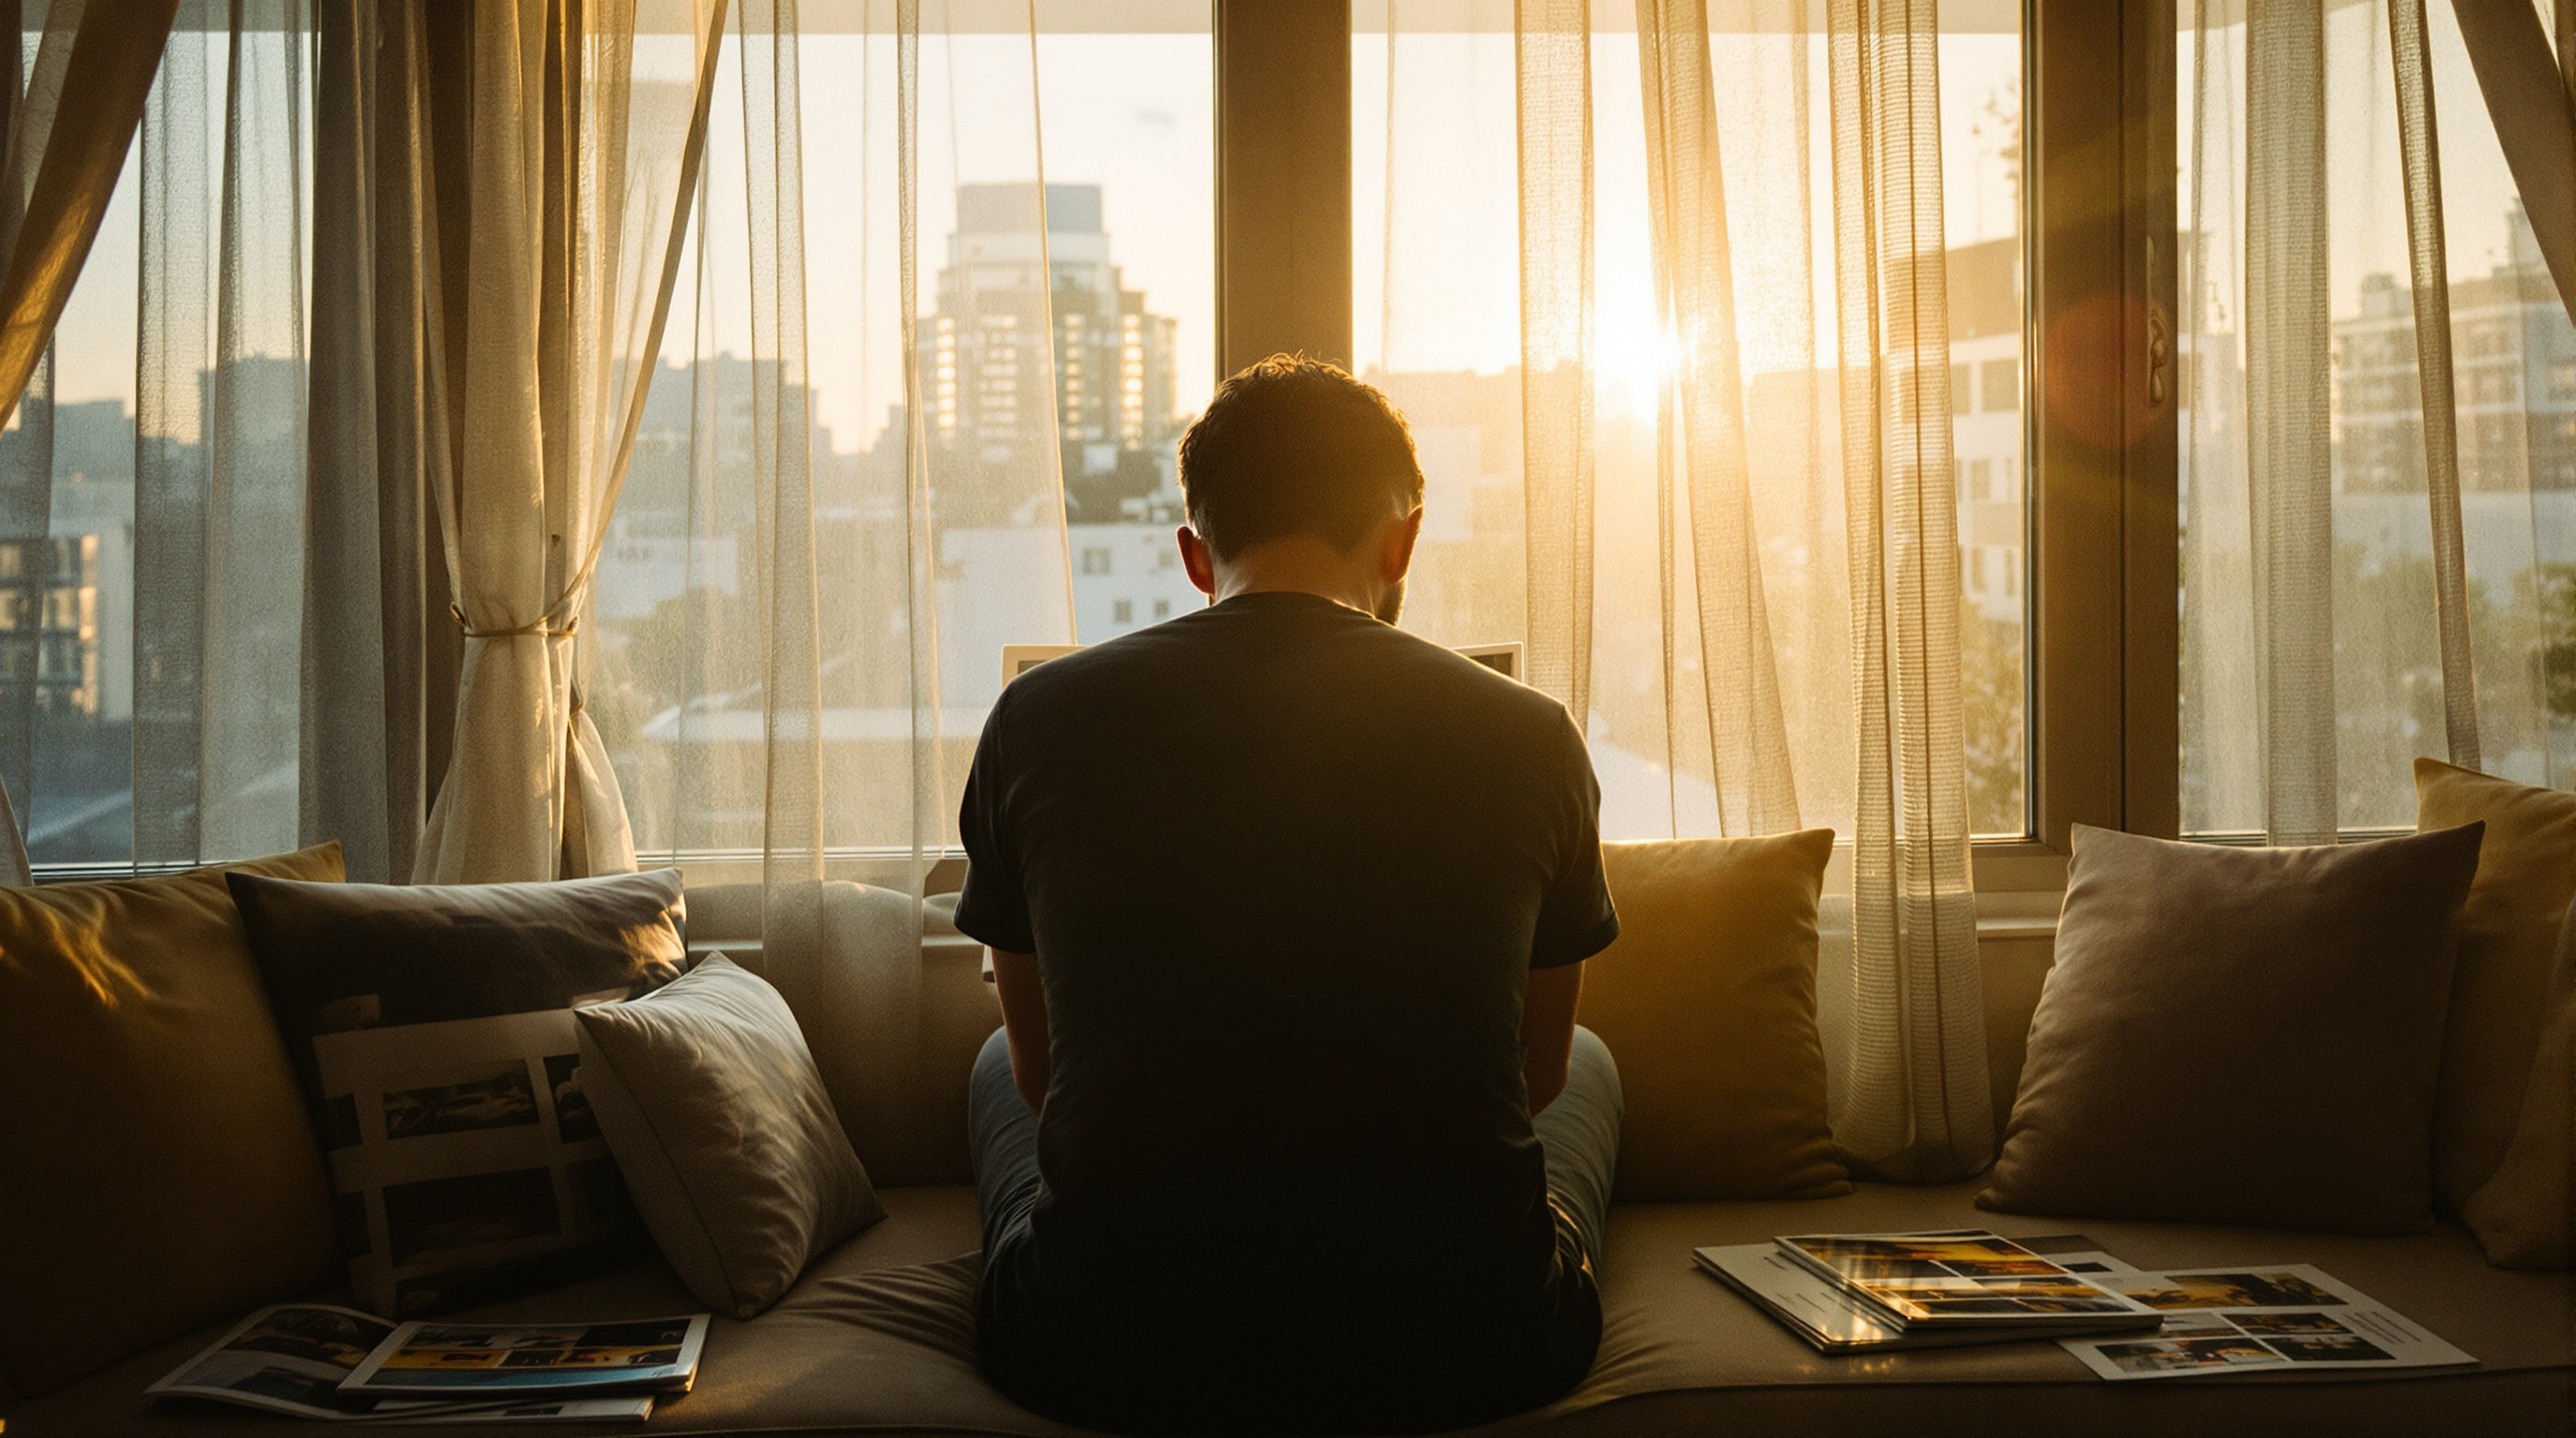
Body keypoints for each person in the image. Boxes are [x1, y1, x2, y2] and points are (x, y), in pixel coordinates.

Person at [953, 354, 1623, 1435]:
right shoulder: (1529, 733)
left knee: (992, 1058)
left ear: (1191, 554)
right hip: (1476, 1344)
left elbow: (1039, 1077)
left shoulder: (1035, 719)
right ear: (1400, 539)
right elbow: (1535, 1074)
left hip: (1097, 1348)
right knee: (1588, 1061)